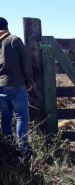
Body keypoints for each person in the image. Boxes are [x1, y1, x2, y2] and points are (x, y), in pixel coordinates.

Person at [0, 17, 33, 153]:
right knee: (21, 117)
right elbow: (25, 63)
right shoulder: (14, 40)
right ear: (7, 27)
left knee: (6, 118)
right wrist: (28, 82)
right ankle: (24, 150)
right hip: (15, 84)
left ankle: (9, 147)